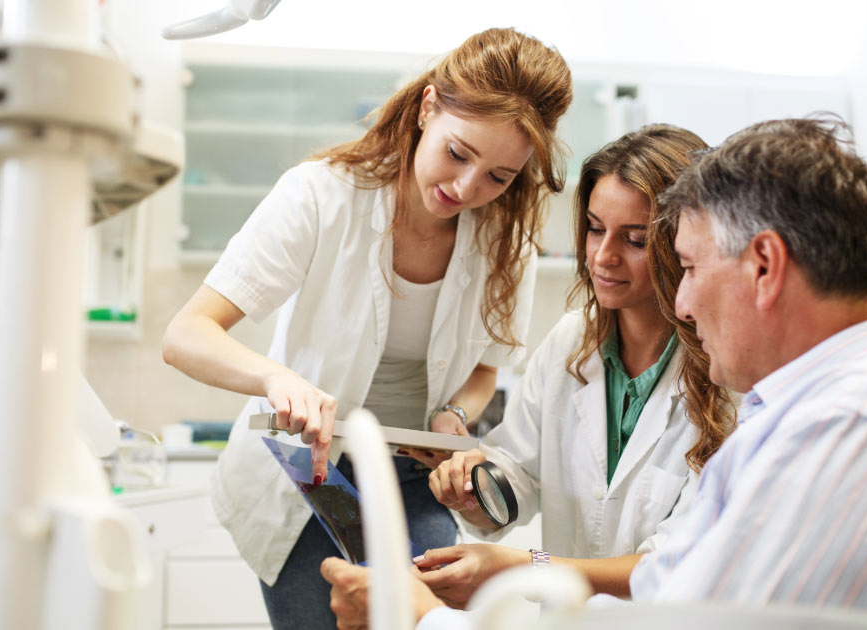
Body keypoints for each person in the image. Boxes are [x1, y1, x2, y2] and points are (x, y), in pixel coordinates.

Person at [323, 116, 867, 629]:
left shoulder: (850, 434)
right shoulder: (814, 412)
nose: (685, 303)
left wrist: (420, 619)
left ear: (763, 266)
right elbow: (675, 585)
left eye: (688, 267)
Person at [161, 27, 573, 629]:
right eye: (458, 154)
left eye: (499, 177)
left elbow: (485, 370)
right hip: (310, 472)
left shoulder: (508, 242)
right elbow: (187, 334)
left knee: (426, 614)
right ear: (428, 108)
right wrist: (279, 381)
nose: (466, 189)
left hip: (412, 474)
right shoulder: (320, 195)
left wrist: (454, 415)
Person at [405, 125, 736, 607]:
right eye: (596, 228)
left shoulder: (727, 375)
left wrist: (524, 567)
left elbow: (678, 562)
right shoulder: (572, 340)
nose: (604, 256)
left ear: (684, 244)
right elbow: (518, 470)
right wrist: (476, 488)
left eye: (636, 240)